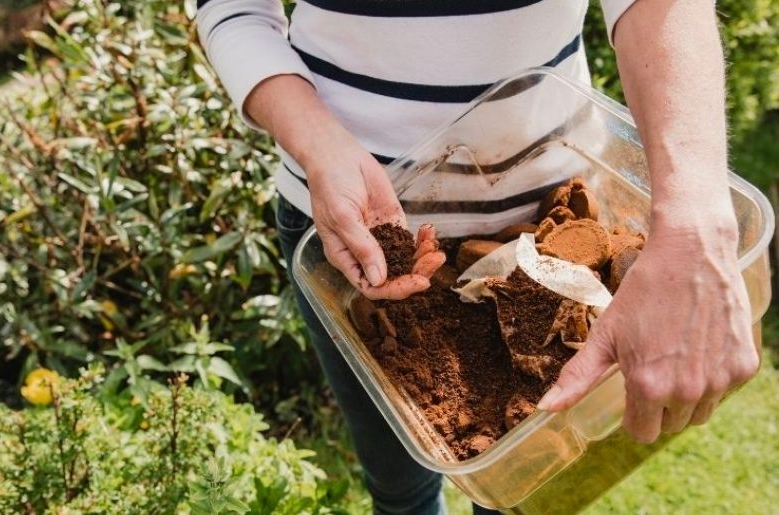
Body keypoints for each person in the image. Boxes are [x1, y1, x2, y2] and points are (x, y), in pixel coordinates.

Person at [197, 1, 760, 513]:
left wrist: (694, 228)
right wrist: (319, 144)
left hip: (554, 233)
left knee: (521, 497)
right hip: (353, 240)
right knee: (400, 490)